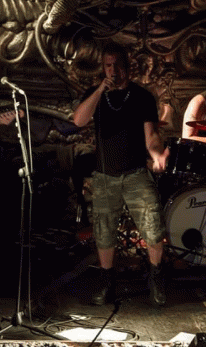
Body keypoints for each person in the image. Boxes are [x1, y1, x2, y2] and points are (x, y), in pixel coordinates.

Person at [72, 43, 169, 306]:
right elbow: (78, 120)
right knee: (104, 231)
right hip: (105, 176)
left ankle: (156, 278)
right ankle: (107, 283)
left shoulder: (142, 97)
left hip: (136, 173)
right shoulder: (96, 95)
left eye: (117, 65)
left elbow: (151, 136)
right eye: (108, 66)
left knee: (153, 225)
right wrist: (100, 90)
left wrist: (157, 155)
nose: (113, 70)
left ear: (127, 67)